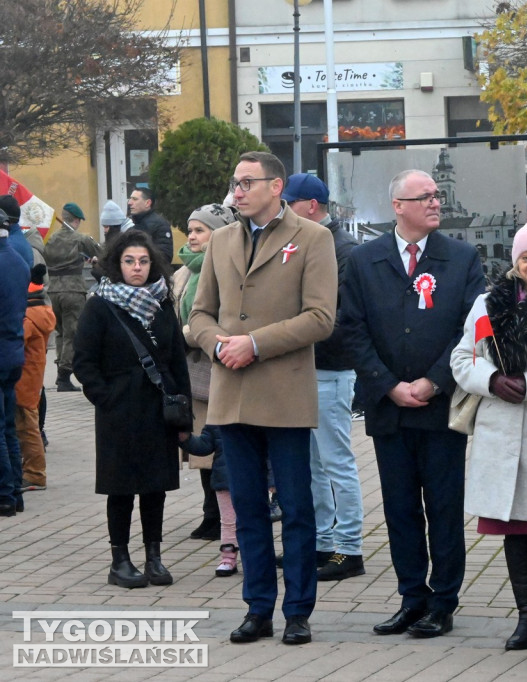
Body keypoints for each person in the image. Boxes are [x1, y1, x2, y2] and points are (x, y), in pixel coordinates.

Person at [190, 151, 337, 645]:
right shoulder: (223, 241)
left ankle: (298, 611)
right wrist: (217, 343)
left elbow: (320, 318)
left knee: (296, 508)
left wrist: (254, 344)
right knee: (248, 508)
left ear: (276, 187)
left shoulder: (314, 238)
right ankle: (258, 608)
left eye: (248, 182)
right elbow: (200, 314)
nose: (238, 191)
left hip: (285, 396)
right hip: (231, 396)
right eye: (235, 182)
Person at [340, 169, 484, 639]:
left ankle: (443, 602)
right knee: (400, 509)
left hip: (439, 409)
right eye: (424, 197)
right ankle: (411, 597)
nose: (435, 203)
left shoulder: (461, 258)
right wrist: (387, 384)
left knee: (443, 507)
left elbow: (472, 328)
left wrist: (434, 381)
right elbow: (353, 328)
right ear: (398, 206)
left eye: (437, 195)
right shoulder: (366, 260)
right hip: (389, 408)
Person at [451, 219, 527, 652]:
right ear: (514, 260)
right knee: (515, 532)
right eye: (526, 256)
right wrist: (490, 380)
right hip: (498, 433)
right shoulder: (487, 304)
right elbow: (462, 359)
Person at [73, 231, 190, 588]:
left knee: (155, 486)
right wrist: (106, 398)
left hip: (158, 409)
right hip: (119, 412)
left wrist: (184, 414)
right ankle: (119, 560)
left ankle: (154, 557)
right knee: (120, 487)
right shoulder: (100, 304)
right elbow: (84, 362)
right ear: (116, 264)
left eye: (143, 262)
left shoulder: (162, 303)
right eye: (129, 261)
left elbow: (176, 360)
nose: (137, 268)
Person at [282, 173, 365, 581]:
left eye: (290, 203)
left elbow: (339, 317)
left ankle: (350, 548)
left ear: (310, 206)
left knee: (336, 462)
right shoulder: (306, 243)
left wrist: (293, 331)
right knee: (313, 464)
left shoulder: (342, 249)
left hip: (332, 369)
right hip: (306, 368)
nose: (284, 211)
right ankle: (322, 542)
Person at [171, 203, 236, 544]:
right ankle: (211, 513)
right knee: (200, 449)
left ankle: (223, 514)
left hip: (218, 368)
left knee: (220, 447)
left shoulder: (228, 269)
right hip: (189, 371)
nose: (192, 237)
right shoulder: (182, 273)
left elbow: (219, 323)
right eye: (190, 229)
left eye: (200, 230)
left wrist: (181, 335)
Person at [44, 202, 101, 392]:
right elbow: (100, 253)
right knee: (72, 333)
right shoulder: (80, 238)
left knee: (60, 332)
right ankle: (64, 375)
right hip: (73, 290)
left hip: (52, 290)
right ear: (75, 220)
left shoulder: (51, 239)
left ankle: (60, 366)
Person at [0, 207, 31, 518]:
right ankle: (16, 491)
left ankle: (5, 494)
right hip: (12, 351)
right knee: (9, 425)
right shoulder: (19, 261)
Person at [179, 423, 237, 576]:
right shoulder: (218, 419)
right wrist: (186, 439)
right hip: (224, 480)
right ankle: (228, 558)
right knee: (228, 522)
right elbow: (204, 445)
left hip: (252, 481)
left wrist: (271, 480)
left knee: (253, 521)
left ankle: (256, 559)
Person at [16, 265, 55, 492]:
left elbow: (16, 342)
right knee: (29, 425)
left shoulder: (28, 318)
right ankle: (32, 471)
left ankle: (35, 473)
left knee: (27, 428)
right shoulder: (42, 310)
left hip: (24, 380)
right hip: (34, 378)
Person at [127, 187, 174, 264]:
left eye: (135, 199)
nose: (129, 202)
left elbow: (165, 256)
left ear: (147, 203)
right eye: (130, 199)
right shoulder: (135, 224)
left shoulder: (159, 225)